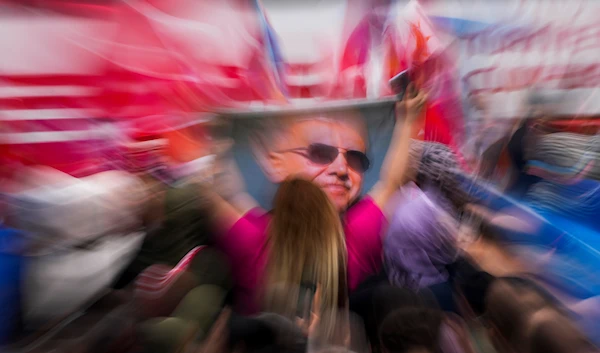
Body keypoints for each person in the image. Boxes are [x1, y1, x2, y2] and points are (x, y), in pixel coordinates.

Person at [209, 85, 428, 315]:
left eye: (355, 158)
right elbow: (393, 181)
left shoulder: (250, 241)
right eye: (320, 153)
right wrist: (409, 119)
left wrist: (214, 132)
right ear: (274, 162)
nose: (341, 168)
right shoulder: (356, 241)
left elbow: (221, 192)